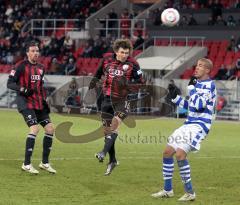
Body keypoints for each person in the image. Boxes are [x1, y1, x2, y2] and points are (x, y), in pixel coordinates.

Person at [151, 58, 217, 201]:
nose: (197, 68)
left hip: (200, 125)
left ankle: (190, 192)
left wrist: (191, 88)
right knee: (167, 152)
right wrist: (175, 98)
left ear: (207, 70)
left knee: (180, 154)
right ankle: (168, 190)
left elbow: (199, 105)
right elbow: (191, 106)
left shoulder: (209, 85)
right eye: (197, 65)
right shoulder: (197, 84)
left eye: (200, 66)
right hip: (189, 124)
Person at [88, 39, 144, 175]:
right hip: (106, 99)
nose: (124, 55)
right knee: (107, 133)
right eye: (122, 52)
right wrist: (93, 84)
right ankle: (112, 161)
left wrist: (128, 86)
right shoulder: (106, 60)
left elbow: (140, 82)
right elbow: (97, 74)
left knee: (114, 126)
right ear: (115, 52)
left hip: (122, 100)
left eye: (126, 52)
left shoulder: (133, 64)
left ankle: (102, 152)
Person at [7, 41, 56, 174]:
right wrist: (22, 89)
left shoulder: (41, 68)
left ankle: (45, 163)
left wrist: (45, 102)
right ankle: (26, 164)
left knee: (50, 129)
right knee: (34, 129)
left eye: (37, 51)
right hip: (25, 103)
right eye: (33, 51)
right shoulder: (20, 66)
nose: (36, 53)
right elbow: (10, 83)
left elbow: (40, 87)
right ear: (27, 53)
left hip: (38, 103)